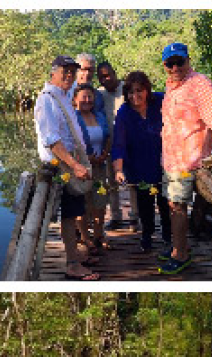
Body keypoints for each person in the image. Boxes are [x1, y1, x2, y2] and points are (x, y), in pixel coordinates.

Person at [159, 42, 212, 274]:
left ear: (188, 61)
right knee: (174, 205)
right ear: (164, 66)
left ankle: (181, 254)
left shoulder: (199, 85)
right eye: (170, 64)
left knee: (178, 206)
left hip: (190, 161)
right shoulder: (171, 87)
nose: (175, 68)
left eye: (179, 62)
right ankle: (178, 246)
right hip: (172, 160)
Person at [34, 55, 99, 280]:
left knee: (73, 214)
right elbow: (51, 140)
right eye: (65, 71)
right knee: (69, 216)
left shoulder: (63, 95)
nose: (70, 75)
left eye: (73, 71)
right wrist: (74, 166)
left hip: (70, 164)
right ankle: (72, 264)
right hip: (60, 168)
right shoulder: (46, 100)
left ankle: (75, 256)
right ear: (54, 72)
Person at [111, 71, 171, 252]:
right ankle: (147, 235)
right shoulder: (124, 113)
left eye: (139, 90)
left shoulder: (160, 101)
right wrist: (118, 170)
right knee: (145, 204)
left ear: (147, 90)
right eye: (130, 92)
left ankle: (168, 236)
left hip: (164, 163)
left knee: (166, 202)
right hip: (138, 165)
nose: (135, 96)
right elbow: (118, 144)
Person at [72, 83, 111, 254]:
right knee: (83, 204)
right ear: (75, 100)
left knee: (100, 203)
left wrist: (105, 154)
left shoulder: (100, 116)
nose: (87, 100)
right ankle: (85, 238)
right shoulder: (72, 118)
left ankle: (98, 236)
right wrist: (87, 159)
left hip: (100, 167)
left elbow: (108, 136)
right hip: (81, 169)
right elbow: (70, 145)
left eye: (90, 97)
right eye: (83, 97)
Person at [96, 61, 133, 231]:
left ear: (114, 72)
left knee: (132, 180)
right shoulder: (99, 94)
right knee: (111, 182)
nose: (106, 78)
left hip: (130, 142)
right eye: (102, 76)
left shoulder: (128, 88)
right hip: (110, 143)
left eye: (108, 74)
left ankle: (135, 217)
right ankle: (116, 216)